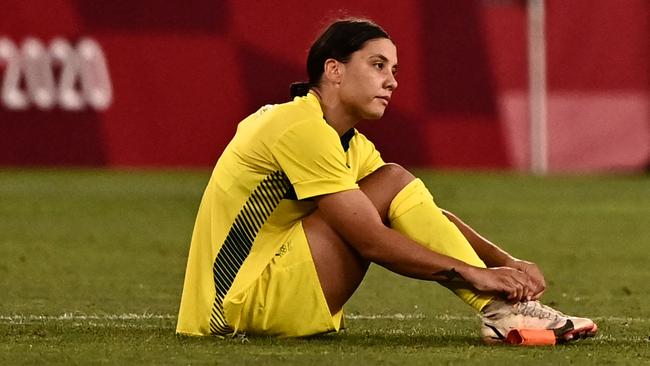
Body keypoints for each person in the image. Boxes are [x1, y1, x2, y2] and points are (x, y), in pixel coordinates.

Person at [176, 18, 597, 344]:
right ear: (334, 70)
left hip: (259, 300)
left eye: (393, 69)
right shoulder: (297, 126)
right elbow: (370, 240)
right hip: (238, 308)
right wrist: (474, 274)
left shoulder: (347, 143)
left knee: (393, 183)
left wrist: (503, 261)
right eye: (377, 65)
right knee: (391, 181)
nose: (392, 80)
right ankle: (502, 312)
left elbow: (419, 214)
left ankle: (503, 310)